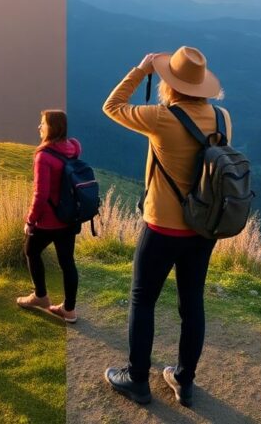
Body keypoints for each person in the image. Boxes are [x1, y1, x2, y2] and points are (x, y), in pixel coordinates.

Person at [101, 46, 231, 407]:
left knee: (143, 300)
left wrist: (141, 70)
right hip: (202, 229)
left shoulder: (161, 117)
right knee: (192, 304)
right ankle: (184, 380)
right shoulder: (222, 119)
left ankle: (137, 379)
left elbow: (112, 106)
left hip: (162, 227)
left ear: (169, 83)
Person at [16, 109, 82, 323]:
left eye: (42, 123)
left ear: (51, 127)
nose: (39, 126)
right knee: (67, 262)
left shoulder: (43, 156)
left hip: (49, 220)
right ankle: (69, 310)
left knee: (31, 250)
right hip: (69, 216)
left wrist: (30, 220)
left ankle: (40, 296)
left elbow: (41, 194)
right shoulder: (73, 148)